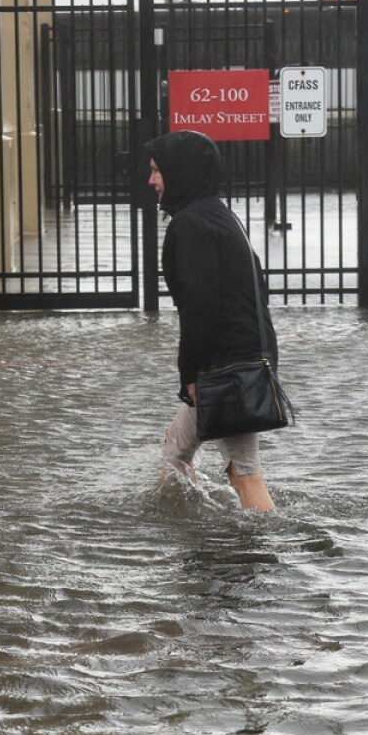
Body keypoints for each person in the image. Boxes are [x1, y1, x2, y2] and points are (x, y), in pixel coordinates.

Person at [145, 130, 278, 513]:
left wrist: (190, 374)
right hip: (239, 362)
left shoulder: (190, 224)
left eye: (157, 171)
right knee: (174, 450)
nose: (151, 181)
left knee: (244, 473)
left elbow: (198, 307)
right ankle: (186, 522)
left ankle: (266, 547)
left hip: (225, 370)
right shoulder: (219, 215)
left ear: (180, 171)